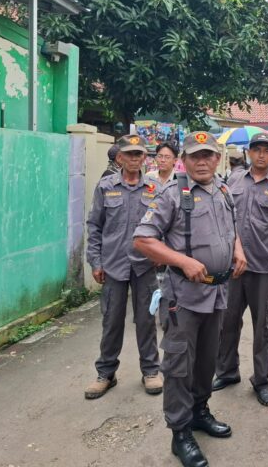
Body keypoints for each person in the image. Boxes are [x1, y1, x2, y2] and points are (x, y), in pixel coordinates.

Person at [133, 131, 247, 467]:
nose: (202, 161)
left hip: (216, 293)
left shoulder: (223, 190)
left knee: (207, 361)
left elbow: (231, 229)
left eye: (207, 155)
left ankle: (199, 412)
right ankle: (180, 431)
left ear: (217, 159)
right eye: (195, 155)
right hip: (183, 297)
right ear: (185, 159)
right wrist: (182, 261)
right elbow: (143, 239)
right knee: (179, 366)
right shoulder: (172, 194)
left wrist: (238, 249)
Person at [212, 132, 268, 406]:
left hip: (264, 268)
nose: (261, 154)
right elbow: (222, 220)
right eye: (256, 149)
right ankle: (227, 371)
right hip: (233, 268)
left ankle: (261, 380)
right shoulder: (233, 181)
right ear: (249, 153)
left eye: (267, 150)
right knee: (227, 321)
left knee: (263, 327)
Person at [85, 133, 163, 400]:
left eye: (138, 154)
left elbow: (165, 224)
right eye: (129, 154)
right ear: (119, 157)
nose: (134, 158)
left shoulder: (155, 188)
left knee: (146, 321)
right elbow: (95, 225)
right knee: (111, 322)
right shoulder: (106, 186)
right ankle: (106, 374)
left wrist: (161, 253)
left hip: (144, 266)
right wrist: (95, 261)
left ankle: (151, 371)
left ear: (144, 158)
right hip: (113, 265)